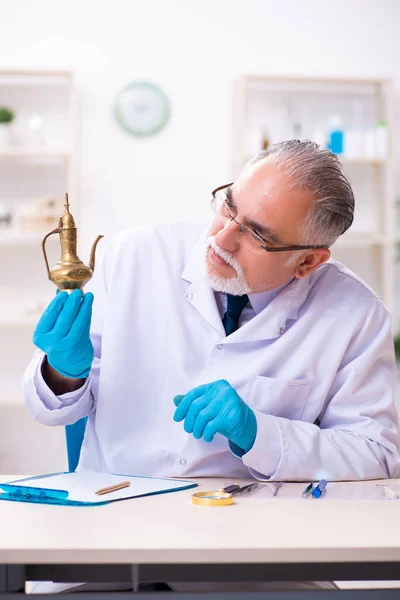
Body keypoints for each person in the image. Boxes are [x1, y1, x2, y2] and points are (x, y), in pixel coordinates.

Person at [23, 140, 400, 593]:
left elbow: (376, 453)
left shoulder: (354, 312)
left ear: (307, 261)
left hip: (262, 549)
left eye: (257, 235)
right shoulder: (131, 257)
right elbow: (49, 407)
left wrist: (259, 433)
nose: (221, 239)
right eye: (228, 206)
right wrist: (63, 371)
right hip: (114, 534)